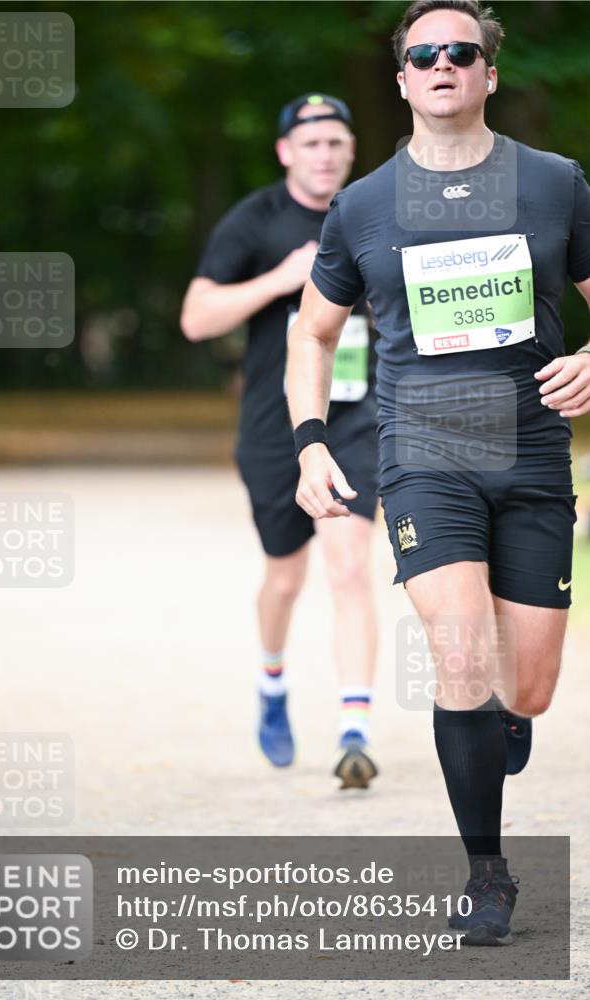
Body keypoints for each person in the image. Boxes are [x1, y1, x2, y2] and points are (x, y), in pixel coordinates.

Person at [287, 0, 590, 945]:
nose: (442, 63)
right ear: (403, 80)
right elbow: (313, 331)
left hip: (531, 452)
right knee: (458, 655)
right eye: (424, 54)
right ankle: (486, 875)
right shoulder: (363, 205)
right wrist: (309, 440)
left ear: (489, 73)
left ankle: (502, 720)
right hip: (421, 455)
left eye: (462, 51)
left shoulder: (554, 183)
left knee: (525, 688)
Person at [181, 94, 381, 789]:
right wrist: (280, 279)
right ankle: (272, 682)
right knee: (286, 578)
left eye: (336, 143)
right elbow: (196, 319)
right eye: (311, 144)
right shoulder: (256, 219)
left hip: (354, 418)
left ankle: (354, 730)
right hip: (274, 426)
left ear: (351, 150)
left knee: (349, 566)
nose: (325, 155)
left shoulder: (373, 210)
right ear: (285, 152)